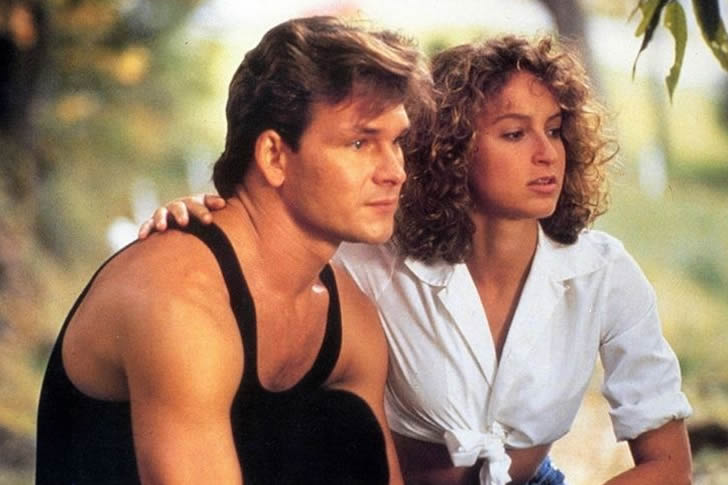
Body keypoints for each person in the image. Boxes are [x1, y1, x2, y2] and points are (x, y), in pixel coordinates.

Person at [140, 35, 694, 485]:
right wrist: (199, 215)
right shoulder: (372, 259)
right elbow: (276, 232)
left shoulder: (603, 273)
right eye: (514, 133)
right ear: (450, 148)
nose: (547, 153)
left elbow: (670, 467)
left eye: (554, 130)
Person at [36, 15, 434, 485]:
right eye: (360, 142)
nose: (394, 171)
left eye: (396, 142)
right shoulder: (180, 299)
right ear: (273, 156)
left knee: (344, 424)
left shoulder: (350, 314)